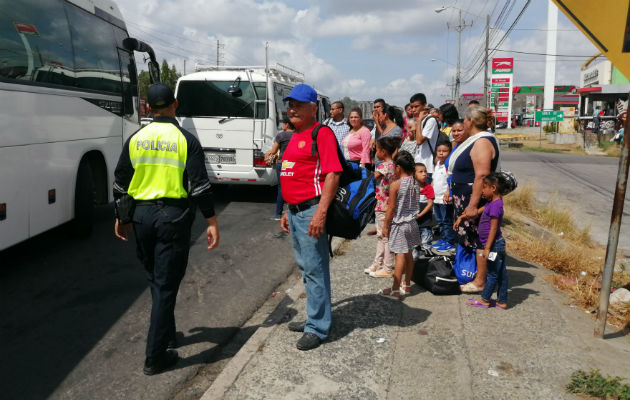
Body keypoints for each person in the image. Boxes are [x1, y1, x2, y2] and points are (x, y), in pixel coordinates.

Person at [113, 83, 220, 375]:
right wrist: (211, 221)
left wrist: (121, 217)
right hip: (172, 217)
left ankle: (168, 334)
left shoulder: (136, 138)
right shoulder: (186, 139)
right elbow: (200, 186)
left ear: (147, 107)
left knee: (156, 279)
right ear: (174, 105)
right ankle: (154, 357)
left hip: (142, 218)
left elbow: (120, 182)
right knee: (165, 284)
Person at [279, 84, 342, 351]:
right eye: (290, 104)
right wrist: (286, 209)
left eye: (298, 104)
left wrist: (321, 212)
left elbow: (333, 174)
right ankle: (313, 318)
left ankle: (318, 327)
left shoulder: (321, 133)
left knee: (315, 270)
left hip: (310, 212)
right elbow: (293, 172)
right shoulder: (295, 135)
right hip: (295, 212)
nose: (291, 108)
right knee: (306, 269)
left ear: (313, 108)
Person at [448, 105, 499, 293]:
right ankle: (474, 274)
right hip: (464, 196)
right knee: (471, 239)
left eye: (465, 121)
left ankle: (480, 281)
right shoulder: (475, 140)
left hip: (472, 198)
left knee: (479, 240)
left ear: (469, 121)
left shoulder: (482, 142)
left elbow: (482, 175)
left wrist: (472, 204)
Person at [455, 172, 507, 309]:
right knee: (501, 273)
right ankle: (502, 301)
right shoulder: (492, 202)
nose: (482, 190)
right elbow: (477, 212)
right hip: (494, 245)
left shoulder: (496, 206)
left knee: (492, 274)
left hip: (494, 245)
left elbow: (494, 229)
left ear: (493, 188)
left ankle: (485, 299)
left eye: (484, 187)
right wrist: (461, 218)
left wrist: (487, 248)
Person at [379, 150, 421, 299]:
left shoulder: (396, 184)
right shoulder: (416, 182)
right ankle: (407, 284)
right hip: (412, 223)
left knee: (400, 255)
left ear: (398, 167)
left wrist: (385, 226)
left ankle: (395, 290)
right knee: (409, 253)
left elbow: (391, 208)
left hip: (399, 224)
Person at [366, 136, 400, 278]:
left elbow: (372, 177)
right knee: (382, 235)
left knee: (384, 237)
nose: (375, 152)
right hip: (388, 204)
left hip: (382, 205)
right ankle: (377, 264)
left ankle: (386, 267)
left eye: (377, 150)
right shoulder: (395, 165)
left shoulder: (384, 166)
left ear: (384, 152)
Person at [265, 118, 295, 220]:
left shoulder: (281, 135)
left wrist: (267, 153)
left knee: (281, 188)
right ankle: (292, 212)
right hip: (294, 163)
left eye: (283, 124)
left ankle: (278, 214)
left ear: (287, 125)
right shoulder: (298, 134)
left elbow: (273, 151)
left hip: (283, 163)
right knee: (293, 187)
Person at [431, 141, 456, 253]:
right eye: (439, 151)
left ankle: (449, 242)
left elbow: (450, 180)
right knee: (440, 221)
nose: (441, 153)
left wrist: (448, 192)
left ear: (450, 152)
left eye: (444, 151)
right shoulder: (437, 164)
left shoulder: (448, 165)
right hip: (436, 198)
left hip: (444, 199)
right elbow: (434, 179)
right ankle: (443, 239)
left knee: (447, 221)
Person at [411, 93, 439, 181]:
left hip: (428, 168)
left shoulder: (431, 120)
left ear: (424, 105)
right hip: (418, 164)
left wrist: (418, 121)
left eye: (416, 106)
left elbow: (419, 141)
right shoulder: (421, 120)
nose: (413, 110)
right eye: (412, 107)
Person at [413, 162, 434, 257]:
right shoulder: (411, 188)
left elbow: (430, 204)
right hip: (413, 223)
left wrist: (420, 215)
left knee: (426, 244)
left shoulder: (429, 188)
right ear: (413, 174)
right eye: (420, 172)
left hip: (425, 222)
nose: (424, 174)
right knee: (413, 246)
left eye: (425, 171)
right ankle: (414, 266)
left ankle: (428, 267)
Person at [374, 104, 404, 168]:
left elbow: (396, 149)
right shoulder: (385, 128)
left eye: (379, 115)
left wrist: (388, 165)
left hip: (386, 168)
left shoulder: (396, 129)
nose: (378, 118)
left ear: (385, 115)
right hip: (380, 166)